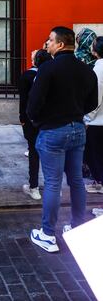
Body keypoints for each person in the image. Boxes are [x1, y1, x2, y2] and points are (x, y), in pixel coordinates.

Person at [27, 26, 98, 253]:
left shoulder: (48, 69)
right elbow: (91, 102)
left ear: (59, 44)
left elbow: (33, 104)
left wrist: (40, 122)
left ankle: (48, 234)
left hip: (53, 130)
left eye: (49, 40)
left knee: (53, 182)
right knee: (76, 180)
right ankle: (77, 225)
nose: (46, 44)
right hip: (77, 128)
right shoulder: (87, 70)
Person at [19, 49, 52, 201]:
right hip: (49, 120)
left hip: (32, 120)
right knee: (50, 153)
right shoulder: (53, 76)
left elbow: (23, 100)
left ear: (35, 61)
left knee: (33, 153)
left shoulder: (27, 76)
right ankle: (53, 187)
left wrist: (22, 117)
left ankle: (34, 187)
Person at [83, 37, 103, 194]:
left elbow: (96, 98)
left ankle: (100, 183)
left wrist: (87, 119)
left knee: (94, 155)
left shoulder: (98, 70)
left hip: (97, 121)